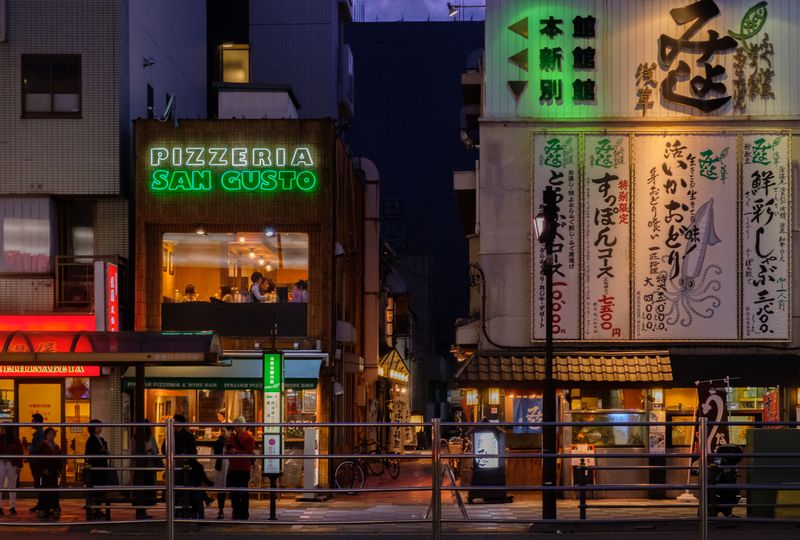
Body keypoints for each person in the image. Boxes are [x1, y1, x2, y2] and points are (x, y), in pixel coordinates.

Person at [225, 416, 255, 520]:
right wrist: (228, 450)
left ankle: (244, 512)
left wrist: (236, 452)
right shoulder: (232, 437)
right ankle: (236, 511)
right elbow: (227, 449)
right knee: (234, 491)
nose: (235, 428)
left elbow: (249, 453)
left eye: (237, 426)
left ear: (242, 426)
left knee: (243, 491)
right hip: (233, 467)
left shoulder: (249, 438)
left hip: (243, 468)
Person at [132, 422, 159, 520]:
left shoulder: (140, 437)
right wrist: (147, 450)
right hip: (144, 466)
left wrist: (151, 450)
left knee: (146, 489)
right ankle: (142, 511)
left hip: (147, 466)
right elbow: (133, 451)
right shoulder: (136, 438)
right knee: (142, 489)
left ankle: (143, 510)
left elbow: (156, 450)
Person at [85, 419, 111, 520]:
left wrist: (104, 451)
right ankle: (95, 510)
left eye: (100, 426)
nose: (100, 428)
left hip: (101, 467)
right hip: (96, 468)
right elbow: (89, 454)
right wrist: (102, 451)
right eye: (97, 427)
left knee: (100, 489)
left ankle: (97, 509)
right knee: (96, 489)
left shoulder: (101, 439)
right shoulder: (91, 440)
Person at [36, 428, 63, 520]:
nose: (51, 435)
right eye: (49, 433)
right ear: (46, 435)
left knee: (54, 490)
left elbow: (59, 459)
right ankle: (44, 508)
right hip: (46, 472)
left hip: (54, 472)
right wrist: (43, 469)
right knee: (45, 490)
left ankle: (54, 507)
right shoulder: (42, 446)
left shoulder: (56, 446)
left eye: (53, 434)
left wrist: (60, 469)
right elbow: (39, 459)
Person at [0, 425, 23, 515]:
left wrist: (19, 466)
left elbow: (20, 453)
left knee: (12, 486)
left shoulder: (16, 440)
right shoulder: (1, 439)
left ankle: (12, 506)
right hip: (1, 462)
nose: (1, 430)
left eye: (3, 428)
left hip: (12, 464)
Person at [27, 413, 45, 513]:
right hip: (35, 461)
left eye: (33, 421)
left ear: (37, 422)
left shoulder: (40, 434)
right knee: (38, 483)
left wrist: (30, 447)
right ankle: (40, 503)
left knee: (39, 483)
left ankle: (41, 504)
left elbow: (38, 448)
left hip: (37, 462)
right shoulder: (39, 433)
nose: (31, 422)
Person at [211, 425, 229, 519]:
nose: (222, 433)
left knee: (233, 488)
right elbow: (216, 452)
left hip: (231, 467)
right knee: (221, 489)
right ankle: (220, 509)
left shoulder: (233, 440)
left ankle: (235, 510)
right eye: (221, 431)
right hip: (221, 467)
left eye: (224, 431)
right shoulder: (218, 442)